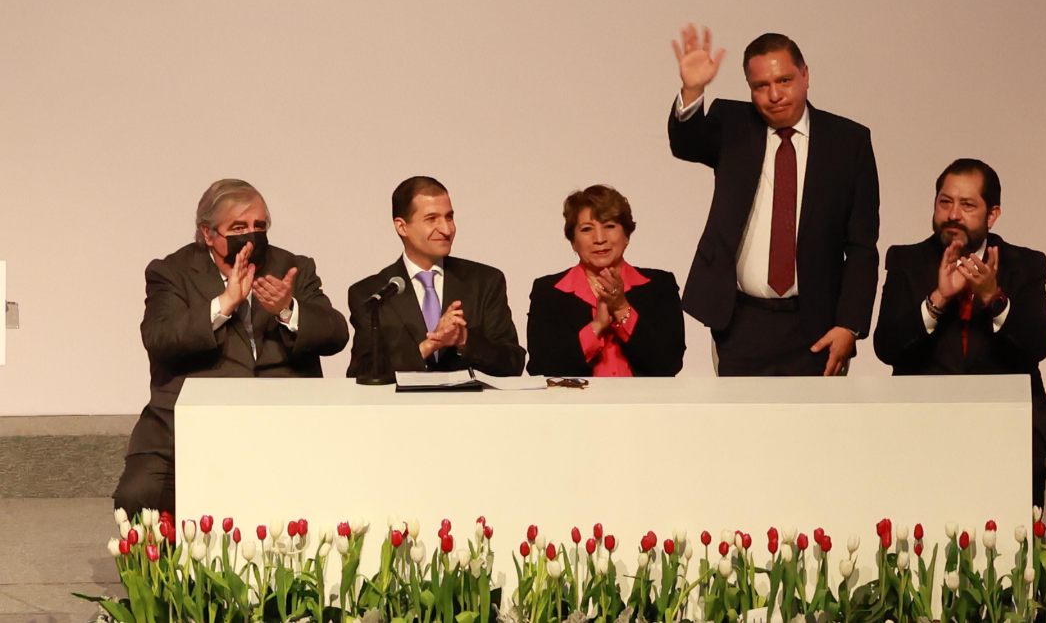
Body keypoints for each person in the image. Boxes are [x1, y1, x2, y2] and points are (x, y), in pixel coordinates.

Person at [113, 180, 349, 516]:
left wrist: (287, 308)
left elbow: (336, 334)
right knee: (139, 496)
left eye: (260, 226)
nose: (251, 235)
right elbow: (160, 338)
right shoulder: (172, 272)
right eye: (238, 227)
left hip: (285, 426)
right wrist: (223, 304)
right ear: (207, 234)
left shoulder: (293, 267)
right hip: (184, 431)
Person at [668, 25, 880, 376]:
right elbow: (687, 144)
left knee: (816, 430)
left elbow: (861, 244)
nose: (774, 95)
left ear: (805, 75)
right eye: (761, 86)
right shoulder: (733, 124)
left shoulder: (848, 141)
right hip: (740, 321)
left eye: (784, 80)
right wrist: (693, 89)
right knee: (741, 429)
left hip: (817, 324)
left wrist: (849, 325)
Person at [873, 159, 1046, 506]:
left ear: (992, 214)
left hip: (1007, 424)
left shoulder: (1025, 264)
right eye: (945, 202)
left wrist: (993, 297)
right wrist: (938, 300)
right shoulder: (906, 261)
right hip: (922, 423)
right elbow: (887, 347)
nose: (953, 214)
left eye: (967, 205)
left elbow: (1038, 344)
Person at [346, 176, 525, 378]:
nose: (447, 229)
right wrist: (428, 346)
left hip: (471, 408)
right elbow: (362, 373)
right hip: (401, 408)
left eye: (449, 217)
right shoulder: (371, 294)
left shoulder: (485, 282)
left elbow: (513, 363)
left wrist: (464, 339)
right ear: (402, 227)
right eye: (432, 219)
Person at [526, 185, 685, 377]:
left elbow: (669, 364)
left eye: (609, 226)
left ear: (627, 235)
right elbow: (542, 368)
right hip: (576, 406)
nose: (599, 239)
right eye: (587, 229)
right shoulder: (548, 292)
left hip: (643, 405)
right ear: (573, 242)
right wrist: (597, 326)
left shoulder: (659, 285)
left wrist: (621, 309)